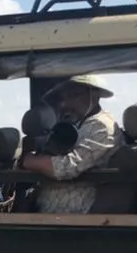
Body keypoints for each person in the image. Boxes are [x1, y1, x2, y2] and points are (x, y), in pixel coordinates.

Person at [17, 73, 122, 213]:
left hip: (76, 217)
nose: (65, 104)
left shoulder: (101, 126)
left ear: (94, 95)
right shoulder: (77, 124)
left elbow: (67, 167)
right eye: (62, 98)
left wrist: (28, 160)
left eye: (74, 95)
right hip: (50, 213)